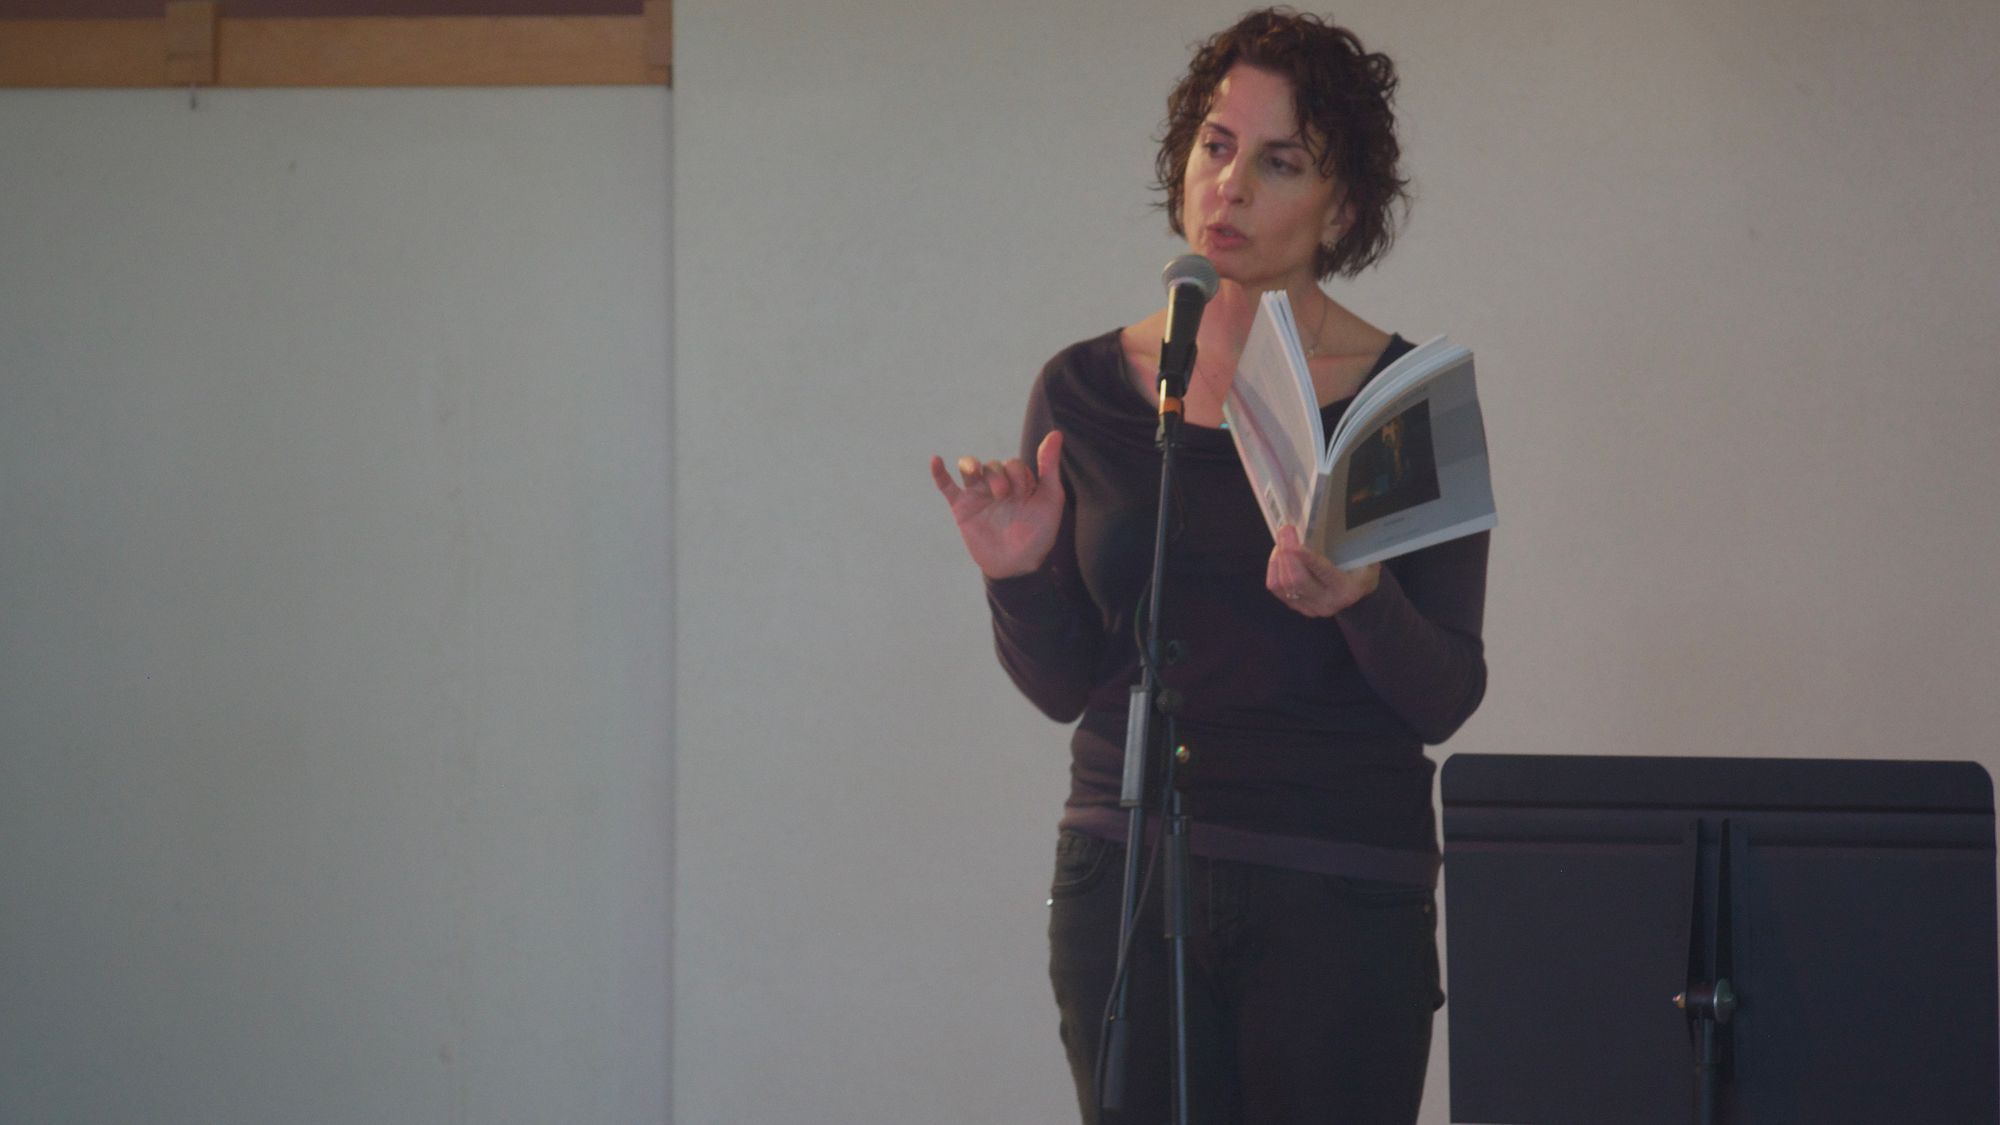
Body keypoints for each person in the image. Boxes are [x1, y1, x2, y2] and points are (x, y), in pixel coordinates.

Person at [928, 10, 1488, 1123]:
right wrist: (1018, 574)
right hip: (1126, 878)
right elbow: (1063, 685)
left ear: (1342, 207)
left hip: (1338, 886)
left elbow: (1444, 696)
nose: (1228, 185)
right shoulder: (1085, 390)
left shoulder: (1404, 403)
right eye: (1215, 145)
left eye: (1279, 161)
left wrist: (1363, 599)